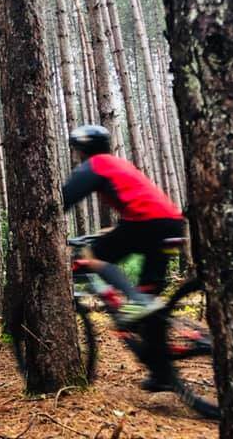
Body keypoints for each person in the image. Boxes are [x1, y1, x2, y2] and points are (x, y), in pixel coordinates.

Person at [62, 124, 185, 391]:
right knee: (150, 299)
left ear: (82, 149)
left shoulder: (95, 165)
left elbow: (62, 199)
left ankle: (135, 301)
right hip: (171, 224)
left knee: (91, 255)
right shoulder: (118, 164)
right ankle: (162, 373)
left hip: (147, 223)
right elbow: (137, 200)